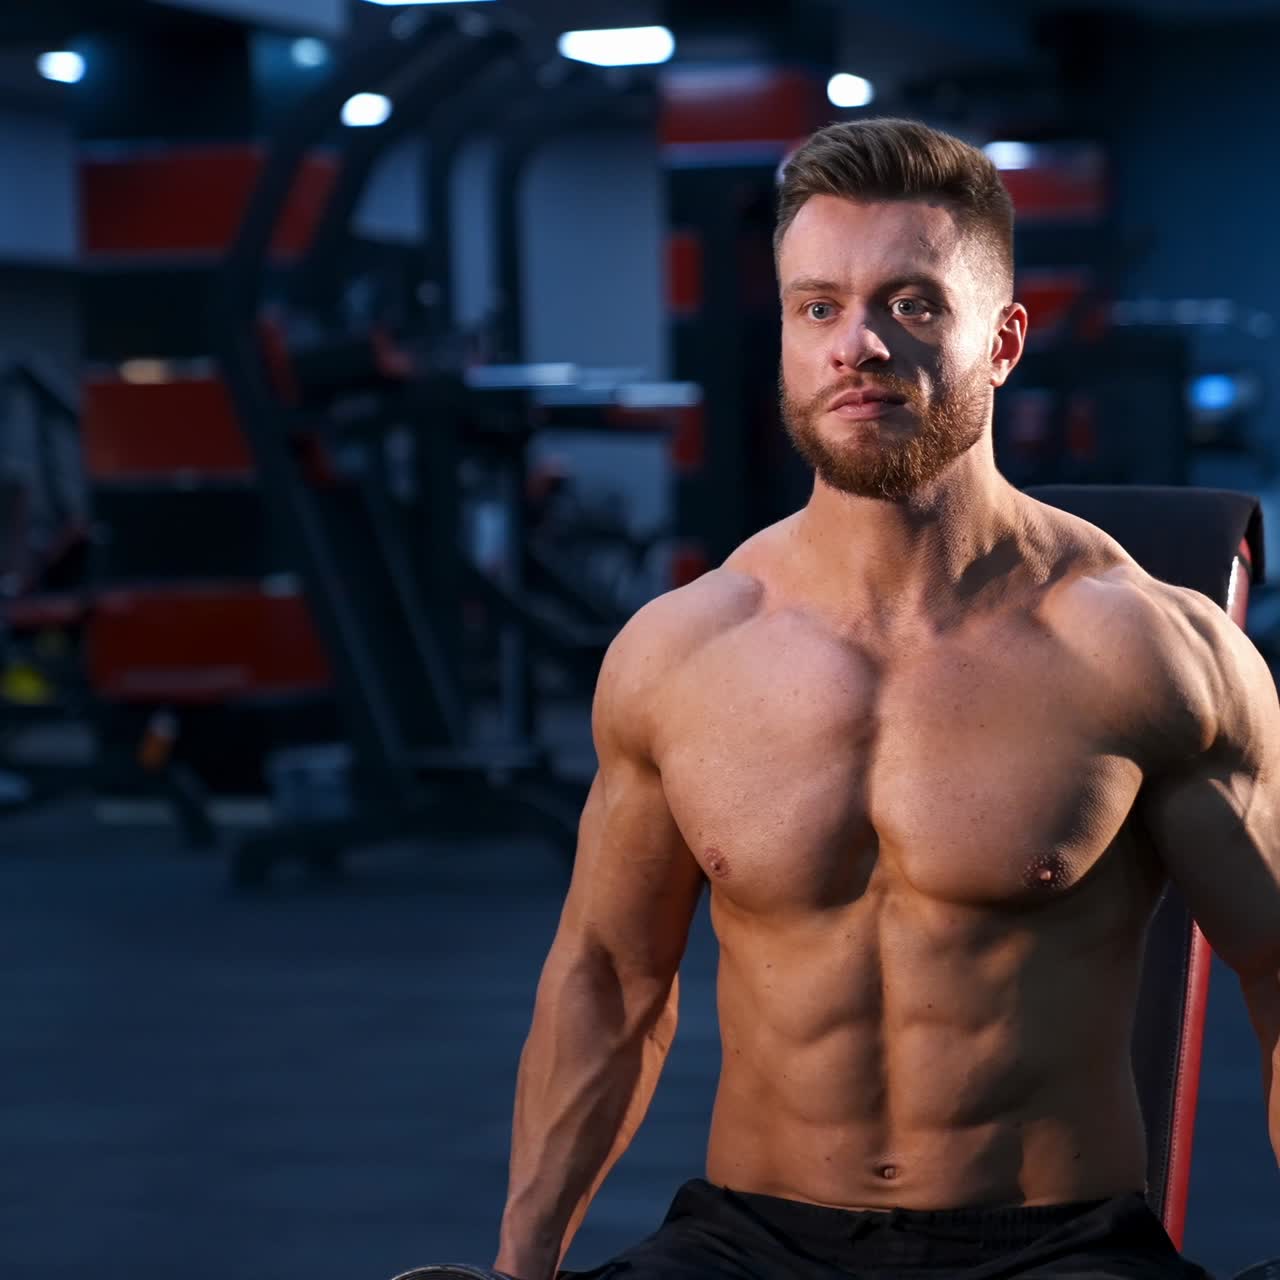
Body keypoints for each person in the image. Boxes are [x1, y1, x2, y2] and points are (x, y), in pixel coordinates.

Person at [491, 118, 1280, 1279]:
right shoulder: (680, 652)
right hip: (747, 1238)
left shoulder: (1146, 651)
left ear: (1003, 340)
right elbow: (610, 978)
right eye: (817, 307)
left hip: (1046, 1245)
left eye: (909, 303)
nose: (854, 343)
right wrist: (519, 1265)